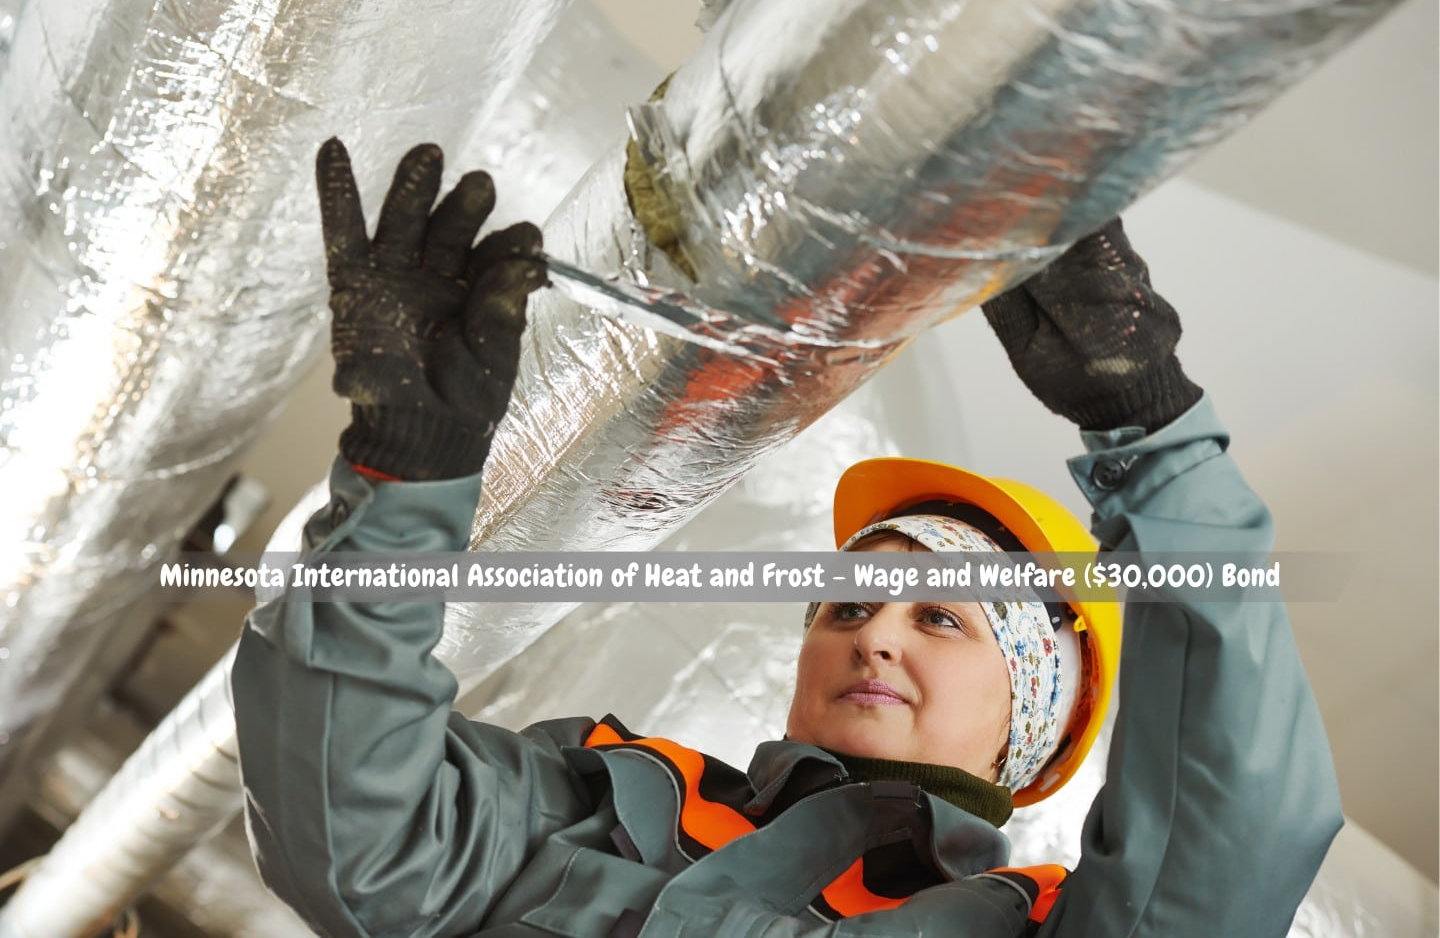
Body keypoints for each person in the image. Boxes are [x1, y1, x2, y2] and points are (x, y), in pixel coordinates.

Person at [231, 139, 1342, 937]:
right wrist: (405, 479)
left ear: (1036, 724)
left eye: (942, 618)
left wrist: (1152, 431)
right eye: (847, 606)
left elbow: (1230, 833)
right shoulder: (608, 798)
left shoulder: (1038, 929)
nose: (872, 640)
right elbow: (351, 836)